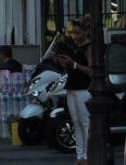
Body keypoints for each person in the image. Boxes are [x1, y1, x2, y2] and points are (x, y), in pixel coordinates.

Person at [55, 19, 91, 165]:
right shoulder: (76, 47)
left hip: (83, 88)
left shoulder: (89, 47)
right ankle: (80, 155)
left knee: (85, 123)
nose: (75, 36)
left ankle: (87, 155)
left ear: (86, 32)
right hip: (72, 87)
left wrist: (74, 64)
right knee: (76, 122)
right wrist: (65, 63)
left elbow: (91, 70)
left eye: (78, 33)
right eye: (73, 33)